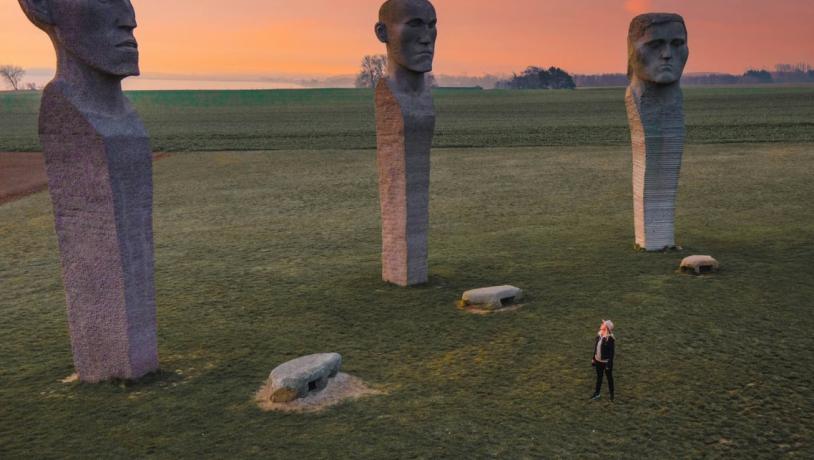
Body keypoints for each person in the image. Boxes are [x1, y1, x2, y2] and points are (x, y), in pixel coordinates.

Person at [590, 320, 615, 401]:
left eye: (603, 324)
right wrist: (594, 358)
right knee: (599, 378)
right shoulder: (600, 335)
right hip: (598, 361)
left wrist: (608, 364)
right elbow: (596, 348)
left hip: (606, 362)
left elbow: (611, 354)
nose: (601, 324)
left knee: (609, 378)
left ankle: (612, 395)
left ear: (607, 328)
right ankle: (597, 394)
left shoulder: (610, 339)